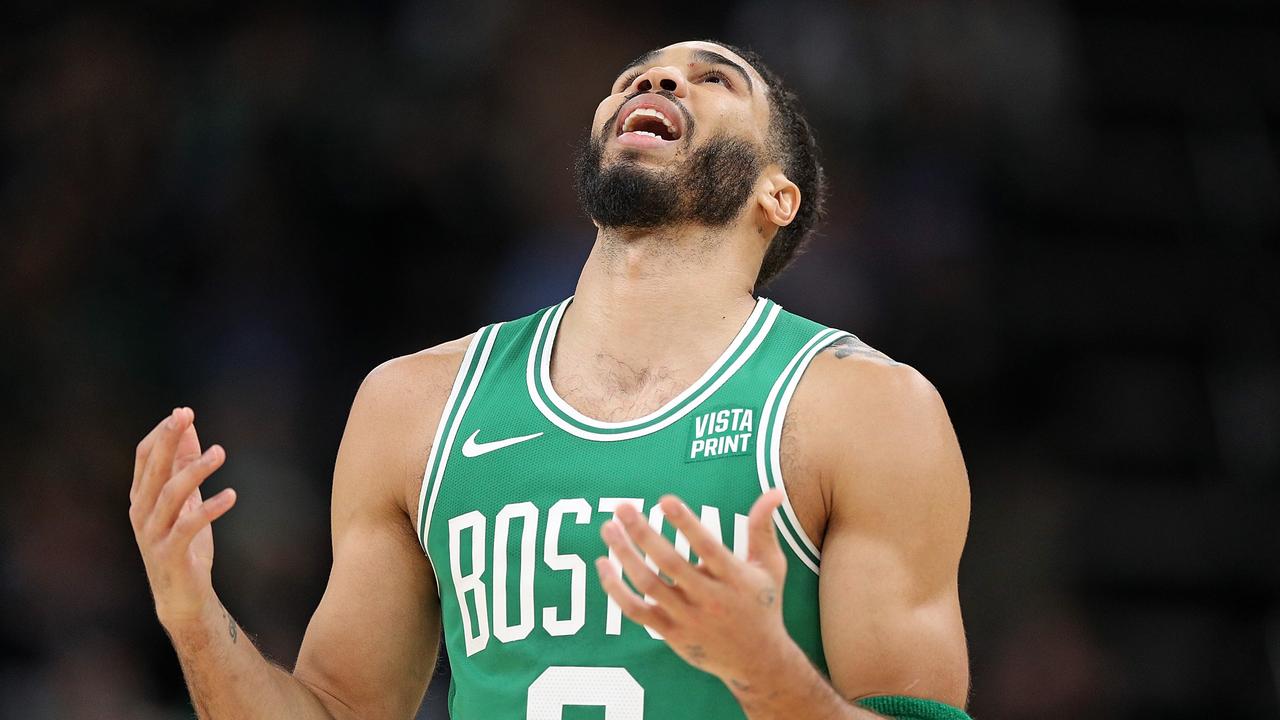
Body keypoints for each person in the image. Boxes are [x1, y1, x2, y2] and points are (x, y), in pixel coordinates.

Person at [129, 39, 972, 720]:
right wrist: (194, 620)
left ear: (775, 197)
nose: (660, 77)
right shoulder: (415, 405)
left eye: (714, 79)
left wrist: (765, 673)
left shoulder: (862, 409)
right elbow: (339, 711)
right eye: (637, 77)